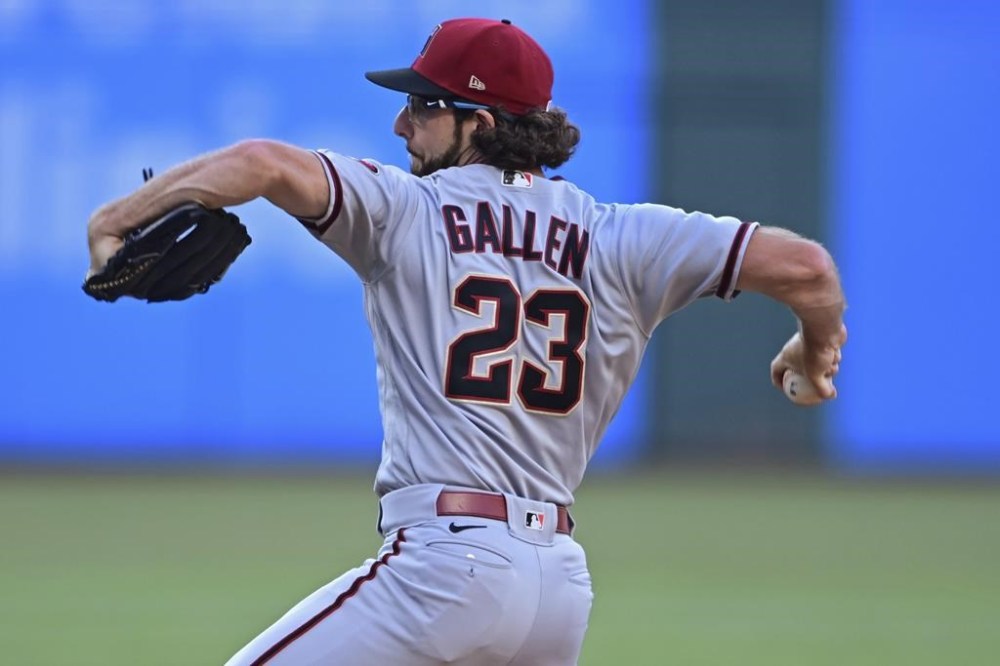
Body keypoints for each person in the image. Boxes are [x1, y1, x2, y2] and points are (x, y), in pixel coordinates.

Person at [86, 17, 846, 666]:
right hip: (557, 586)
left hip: (448, 566)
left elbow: (259, 163)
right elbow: (808, 269)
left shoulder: (405, 211)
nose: (400, 124)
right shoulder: (625, 236)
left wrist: (116, 218)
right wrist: (813, 353)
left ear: (477, 123)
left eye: (421, 106)